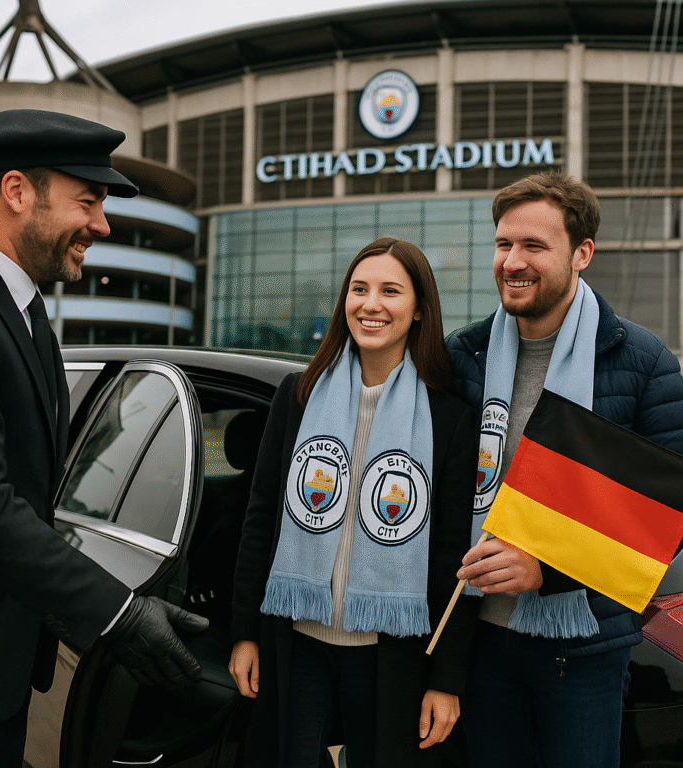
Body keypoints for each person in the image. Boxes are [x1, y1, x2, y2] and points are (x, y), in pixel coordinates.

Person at [0, 109, 207, 768]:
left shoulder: (26, 315)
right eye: (88, 200)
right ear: (17, 192)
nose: (102, 225)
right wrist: (119, 613)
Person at [446, 171, 683, 768]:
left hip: (584, 652)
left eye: (533, 246)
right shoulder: (463, 356)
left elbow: (668, 516)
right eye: (503, 244)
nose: (512, 262)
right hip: (482, 641)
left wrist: (546, 569)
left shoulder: (642, 361)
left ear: (582, 254)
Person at [229, 237, 478, 768]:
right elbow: (260, 522)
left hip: (391, 654)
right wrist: (245, 634)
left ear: (418, 311)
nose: (372, 304)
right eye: (359, 289)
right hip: (296, 642)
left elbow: (458, 559)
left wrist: (446, 680)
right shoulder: (297, 397)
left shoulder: (449, 418)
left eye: (391, 290)